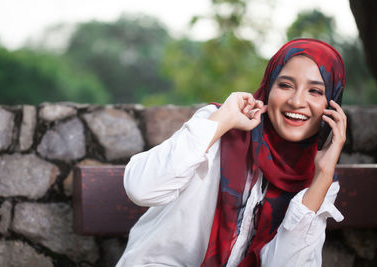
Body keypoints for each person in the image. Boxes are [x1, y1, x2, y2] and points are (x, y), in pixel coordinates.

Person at [116, 38, 346, 267]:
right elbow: (141, 188)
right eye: (285, 85)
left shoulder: (320, 176)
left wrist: (323, 177)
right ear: (268, 87)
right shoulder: (218, 126)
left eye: (315, 91)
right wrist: (222, 119)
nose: (297, 101)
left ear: (332, 104)